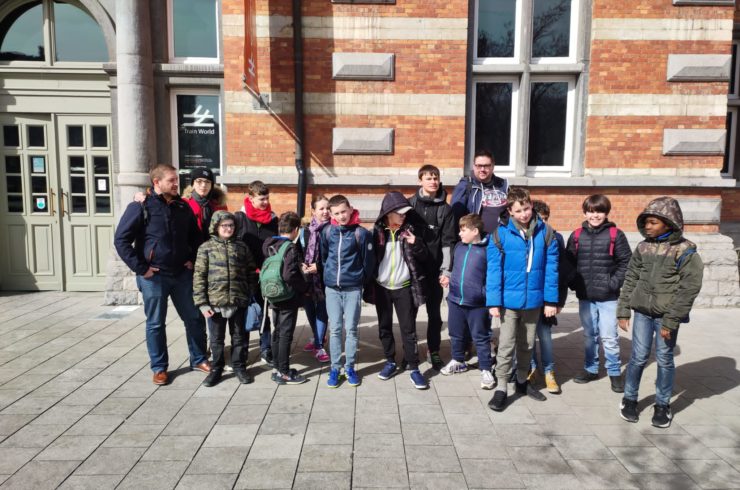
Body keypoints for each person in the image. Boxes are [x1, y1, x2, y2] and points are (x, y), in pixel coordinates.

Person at [114, 164, 209, 385]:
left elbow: (196, 237)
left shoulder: (182, 207)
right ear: (157, 182)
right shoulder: (140, 206)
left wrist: (192, 258)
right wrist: (142, 268)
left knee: (194, 318)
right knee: (156, 323)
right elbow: (121, 240)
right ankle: (159, 368)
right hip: (153, 277)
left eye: (177, 180)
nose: (176, 184)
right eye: (171, 180)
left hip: (181, 275)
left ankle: (199, 359)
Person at [618, 196, 703, 428]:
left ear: (669, 223)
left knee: (665, 358)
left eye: (653, 222)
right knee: (638, 357)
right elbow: (631, 277)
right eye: (646, 222)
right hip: (643, 313)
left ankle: (662, 405)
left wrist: (671, 320)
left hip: (666, 317)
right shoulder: (642, 247)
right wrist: (623, 310)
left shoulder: (684, 251)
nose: (648, 226)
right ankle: (629, 399)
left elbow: (689, 288)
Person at [486, 187, 559, 411]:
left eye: (526, 209)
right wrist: (493, 302)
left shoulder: (546, 232)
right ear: (510, 211)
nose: (524, 214)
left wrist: (550, 301)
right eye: (518, 211)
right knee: (506, 344)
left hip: (534, 300)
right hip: (508, 302)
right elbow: (494, 270)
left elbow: (552, 269)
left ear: (531, 206)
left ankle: (521, 381)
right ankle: (501, 387)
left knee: (527, 344)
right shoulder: (499, 234)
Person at [566, 194, 632, 392]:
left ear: (606, 213)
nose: (595, 216)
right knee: (589, 335)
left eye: (599, 211)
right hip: (585, 296)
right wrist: (575, 283)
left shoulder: (615, 235)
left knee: (609, 337)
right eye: (591, 211)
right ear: (585, 213)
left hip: (608, 297)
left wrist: (613, 283)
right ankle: (591, 369)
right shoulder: (577, 235)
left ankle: (614, 372)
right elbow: (569, 263)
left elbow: (626, 262)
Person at [369, 191, 429, 389]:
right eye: (399, 213)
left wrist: (416, 243)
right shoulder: (377, 233)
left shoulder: (410, 231)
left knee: (408, 329)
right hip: (383, 289)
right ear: (388, 213)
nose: (403, 216)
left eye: (405, 212)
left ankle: (414, 367)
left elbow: (424, 258)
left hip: (404, 288)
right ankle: (390, 362)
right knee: (384, 327)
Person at [193, 211, 258, 387]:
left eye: (231, 225)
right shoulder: (205, 248)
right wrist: (202, 303)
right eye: (224, 225)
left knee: (239, 337)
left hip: (238, 300)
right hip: (215, 303)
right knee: (216, 339)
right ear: (216, 227)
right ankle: (216, 369)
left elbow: (251, 271)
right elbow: (199, 277)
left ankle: (239, 366)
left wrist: (249, 292)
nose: (228, 228)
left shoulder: (241, 247)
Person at [320, 195, 375, 388]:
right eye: (336, 213)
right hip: (332, 289)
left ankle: (349, 367)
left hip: (352, 289)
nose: (341, 216)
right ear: (331, 214)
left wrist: (359, 280)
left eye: (344, 211)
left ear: (351, 209)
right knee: (335, 328)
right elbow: (324, 257)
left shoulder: (361, 234)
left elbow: (368, 263)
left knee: (351, 329)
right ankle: (335, 368)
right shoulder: (327, 231)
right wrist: (328, 277)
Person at [408, 164, 457, 371]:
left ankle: (433, 350)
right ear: (420, 181)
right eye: (428, 178)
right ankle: (410, 351)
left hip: (434, 270)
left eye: (435, 177)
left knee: (434, 315)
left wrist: (446, 270)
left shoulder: (446, 209)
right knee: (410, 313)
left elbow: (448, 242)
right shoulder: (410, 205)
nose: (433, 181)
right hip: (412, 270)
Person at [440, 214, 496, 390]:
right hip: (455, 299)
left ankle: (486, 369)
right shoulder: (459, 247)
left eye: (463, 230)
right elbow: (454, 268)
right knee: (455, 333)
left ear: (475, 231)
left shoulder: (488, 249)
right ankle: (458, 360)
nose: (460, 233)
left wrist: (485, 295)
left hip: (477, 304)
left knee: (480, 337)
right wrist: (448, 278)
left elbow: (493, 277)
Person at [528, 200, 573, 394]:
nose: (544, 222)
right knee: (527, 336)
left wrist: (558, 300)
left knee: (545, 336)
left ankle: (549, 371)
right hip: (529, 296)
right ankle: (531, 368)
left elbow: (561, 272)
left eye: (546, 218)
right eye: (540, 219)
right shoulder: (526, 236)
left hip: (547, 298)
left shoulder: (556, 237)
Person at [263, 212, 310, 385]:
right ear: (296, 229)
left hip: (272, 293)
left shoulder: (269, 244)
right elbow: (289, 275)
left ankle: (276, 368)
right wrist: (304, 285)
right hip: (287, 296)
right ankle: (284, 372)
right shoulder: (290, 247)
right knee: (285, 334)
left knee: (277, 331)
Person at [235, 181, 278, 367]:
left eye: (267, 198)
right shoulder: (239, 218)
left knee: (263, 312)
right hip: (244, 275)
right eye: (261, 199)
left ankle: (266, 349)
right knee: (243, 313)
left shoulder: (273, 219)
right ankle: (243, 351)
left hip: (265, 275)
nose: (265, 202)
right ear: (250, 198)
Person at [300, 194, 331, 363]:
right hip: (307, 279)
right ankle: (317, 337)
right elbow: (298, 251)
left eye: (328, 208)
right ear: (313, 211)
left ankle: (319, 346)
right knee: (310, 309)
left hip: (325, 277)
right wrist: (302, 265)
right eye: (321, 208)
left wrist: (319, 266)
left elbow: (335, 256)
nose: (325, 211)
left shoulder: (333, 229)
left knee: (322, 311)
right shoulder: (304, 231)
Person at [450, 148, 509, 234]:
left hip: (501, 239)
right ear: (474, 166)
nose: (482, 169)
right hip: (476, 239)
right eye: (479, 166)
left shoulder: (503, 185)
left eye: (486, 166)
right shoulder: (465, 186)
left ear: (493, 166)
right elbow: (455, 217)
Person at [183, 167, 228, 243]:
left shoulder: (220, 204)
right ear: (193, 184)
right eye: (199, 181)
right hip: (191, 247)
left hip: (215, 246)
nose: (203, 185)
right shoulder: (184, 204)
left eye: (207, 182)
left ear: (211, 185)